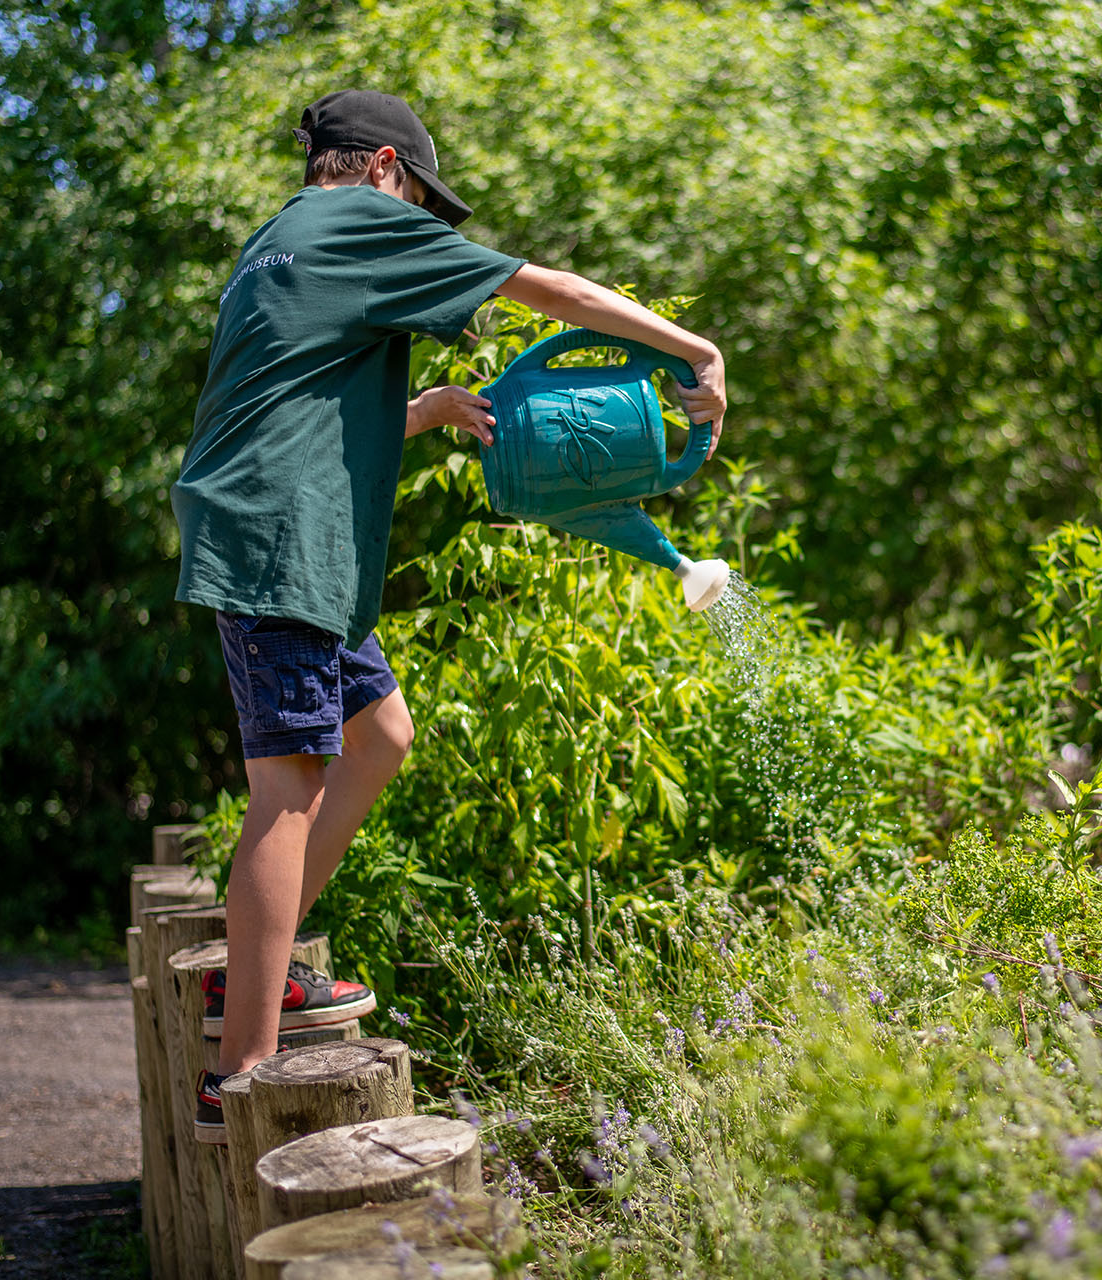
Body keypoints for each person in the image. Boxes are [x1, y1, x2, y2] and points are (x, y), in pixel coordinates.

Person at [172, 89, 727, 1142]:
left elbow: (290, 390)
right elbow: (551, 291)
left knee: (379, 732)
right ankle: (238, 1074)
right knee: (288, 784)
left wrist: (421, 409)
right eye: (426, 203)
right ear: (384, 168)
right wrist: (692, 346)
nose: (427, 229)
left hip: (283, 525)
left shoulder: (279, 238)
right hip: (282, 537)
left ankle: (263, 966)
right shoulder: (363, 218)